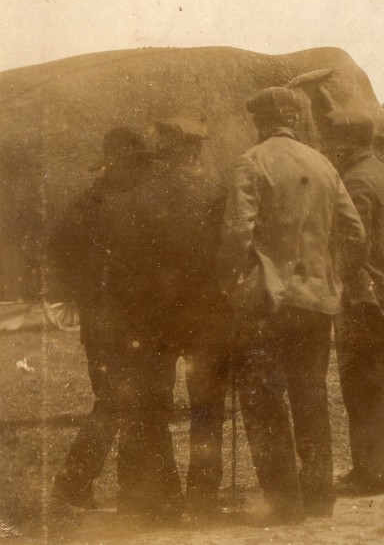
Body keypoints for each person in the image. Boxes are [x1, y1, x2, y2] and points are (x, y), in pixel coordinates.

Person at [219, 87, 365, 523]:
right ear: (297, 120)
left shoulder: (252, 161)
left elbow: (235, 235)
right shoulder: (323, 165)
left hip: (268, 303)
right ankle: (320, 498)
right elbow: (355, 233)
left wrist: (234, 283)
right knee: (310, 394)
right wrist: (332, 274)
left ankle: (283, 502)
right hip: (318, 303)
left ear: (262, 121)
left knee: (263, 398)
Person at [50, 128, 157, 509]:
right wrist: (87, 290)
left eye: (144, 164)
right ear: (114, 165)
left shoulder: (127, 200)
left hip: (127, 320)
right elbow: (59, 254)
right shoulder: (90, 205)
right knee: (115, 401)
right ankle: (73, 481)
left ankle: (127, 488)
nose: (142, 172)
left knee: (130, 401)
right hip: (108, 322)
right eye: (135, 164)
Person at [323, 111, 384, 496]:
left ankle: (374, 476)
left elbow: (353, 240)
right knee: (378, 392)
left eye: (332, 144)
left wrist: (343, 281)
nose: (329, 150)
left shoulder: (356, 181)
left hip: (364, 303)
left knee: (364, 391)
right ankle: (379, 469)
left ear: (345, 144)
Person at [151, 117, 231, 518]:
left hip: (159, 316)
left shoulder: (146, 193)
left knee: (153, 405)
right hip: (205, 313)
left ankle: (162, 494)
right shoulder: (216, 192)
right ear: (196, 149)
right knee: (207, 407)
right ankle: (202, 494)